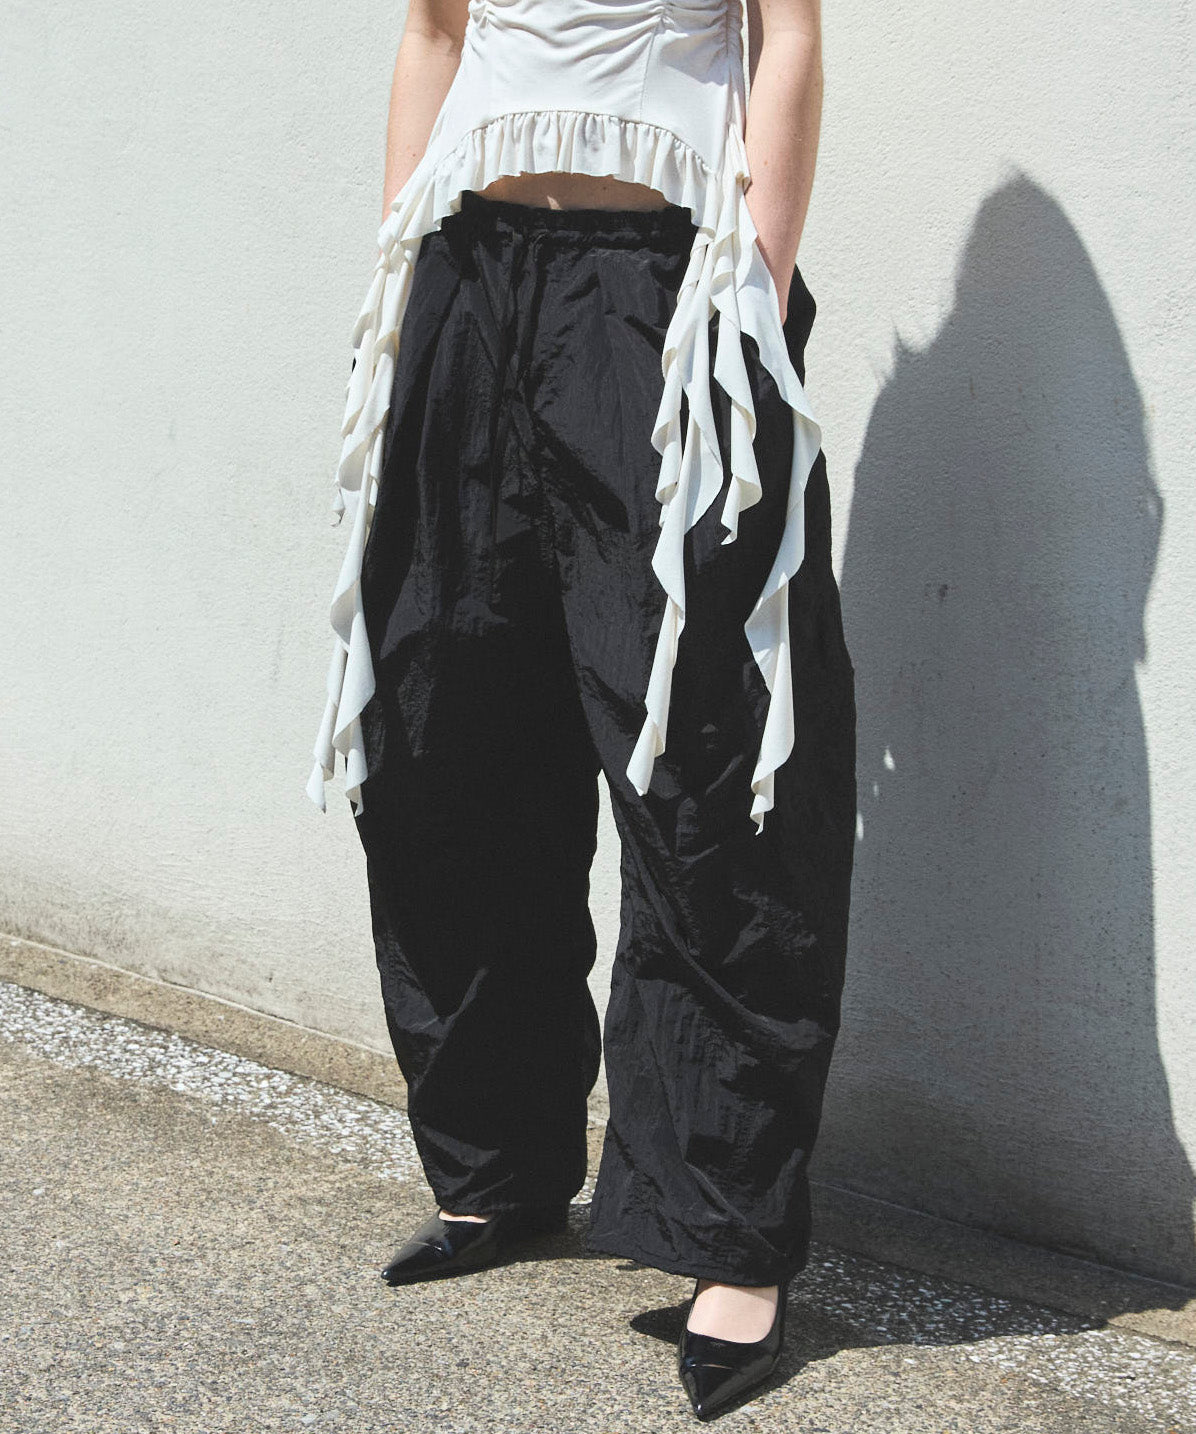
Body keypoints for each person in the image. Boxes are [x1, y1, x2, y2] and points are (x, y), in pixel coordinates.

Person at [307, 0, 855, 1419]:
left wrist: (756, 282)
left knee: (703, 758)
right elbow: (436, 33)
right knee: (444, 723)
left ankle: (727, 1232)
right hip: (466, 270)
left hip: (667, 288)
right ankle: (497, 1165)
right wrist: (399, 273)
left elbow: (787, 36)